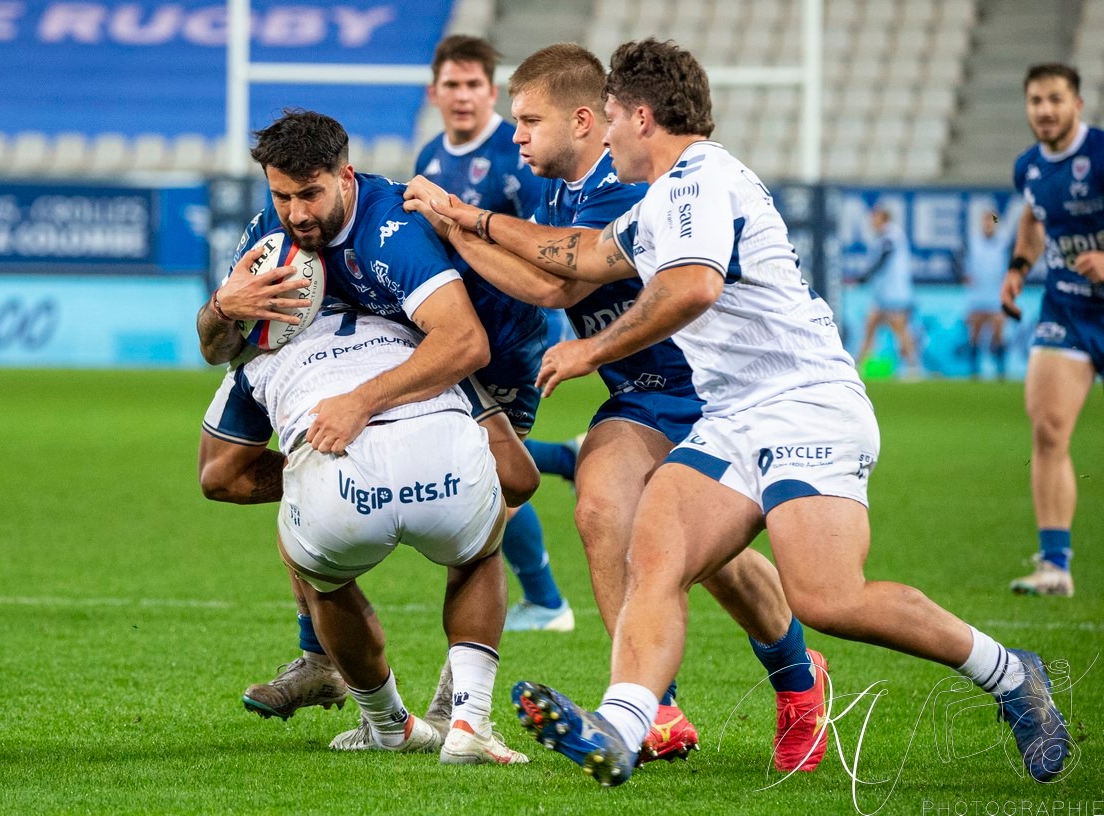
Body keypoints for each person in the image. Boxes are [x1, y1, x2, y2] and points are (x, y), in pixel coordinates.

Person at [422, 38, 1070, 787]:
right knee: (655, 556)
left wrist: (590, 351)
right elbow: (582, 257)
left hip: (805, 404)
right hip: (731, 416)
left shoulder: (701, 179)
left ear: (640, 117)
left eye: (611, 117)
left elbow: (692, 287)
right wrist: (470, 220)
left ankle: (1012, 673)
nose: (605, 132)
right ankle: (624, 727)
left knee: (828, 597)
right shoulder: (662, 198)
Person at [406, 42, 831, 772]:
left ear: (583, 121)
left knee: (716, 559)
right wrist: (458, 227)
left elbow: (555, 286)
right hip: (639, 393)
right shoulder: (557, 188)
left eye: (529, 121)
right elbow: (539, 267)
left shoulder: (625, 183)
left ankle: (799, 680)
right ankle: (653, 709)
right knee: (601, 508)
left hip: (710, 390)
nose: (516, 136)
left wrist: (456, 223)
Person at [196, 109, 546, 724]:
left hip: (493, 343)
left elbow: (465, 342)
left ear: (345, 176)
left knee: (505, 489)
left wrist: (361, 402)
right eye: (281, 196)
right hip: (407, 339)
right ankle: (321, 660)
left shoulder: (391, 229)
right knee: (261, 475)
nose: (296, 213)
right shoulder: (272, 232)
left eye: (310, 194)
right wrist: (224, 307)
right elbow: (214, 349)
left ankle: (456, 703)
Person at [203, 298, 528, 764]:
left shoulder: (255, 353)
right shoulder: (430, 337)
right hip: (445, 469)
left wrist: (302, 474)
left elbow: (219, 478)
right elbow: (521, 477)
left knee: (322, 577)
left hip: (338, 488)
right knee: (479, 556)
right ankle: (470, 722)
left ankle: (387, 723)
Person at [416, 34, 575, 632]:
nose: (462, 96)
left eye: (473, 85)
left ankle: (546, 602)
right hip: (461, 332)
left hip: (514, 335)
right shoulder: (430, 153)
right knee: (475, 455)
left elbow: (544, 247)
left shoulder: (518, 156)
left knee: (488, 467)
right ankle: (565, 460)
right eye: (451, 85)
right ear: (434, 93)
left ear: (491, 92)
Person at [1002, 63, 1104, 597]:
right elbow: (1033, 217)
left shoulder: (1102, 155)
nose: (1045, 110)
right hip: (1066, 308)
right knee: (1047, 429)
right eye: (1036, 100)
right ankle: (1054, 566)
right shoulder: (1030, 168)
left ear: (1077, 105)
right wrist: (1019, 268)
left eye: (1055, 99)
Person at [857, 205, 921, 378]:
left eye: (875, 217)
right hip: (882, 294)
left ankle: (913, 366)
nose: (872, 221)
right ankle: (859, 366)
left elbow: (884, 257)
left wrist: (866, 275)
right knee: (870, 326)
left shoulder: (892, 234)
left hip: (896, 293)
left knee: (900, 329)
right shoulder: (879, 237)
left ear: (883, 218)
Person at [963, 210, 1011, 380]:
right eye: (986, 221)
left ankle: (1001, 369)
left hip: (997, 296)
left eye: (992, 221)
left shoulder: (1003, 243)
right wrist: (964, 276)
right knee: (975, 334)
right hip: (977, 296)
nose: (988, 224)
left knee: (998, 333)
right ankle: (974, 370)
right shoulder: (972, 242)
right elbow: (959, 262)